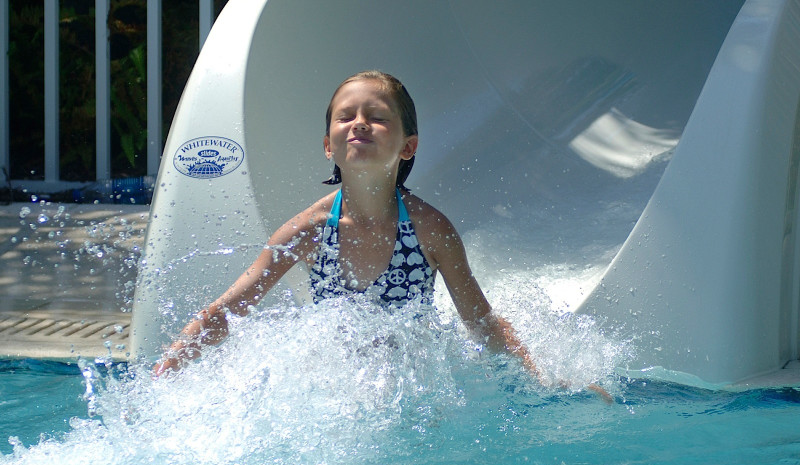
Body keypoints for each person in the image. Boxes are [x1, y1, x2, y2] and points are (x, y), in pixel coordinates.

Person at [152, 71, 569, 392]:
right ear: (328, 146)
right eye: (345, 116)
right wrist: (168, 370)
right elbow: (229, 309)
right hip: (336, 388)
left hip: (412, 388)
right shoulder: (309, 231)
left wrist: (539, 382)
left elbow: (480, 321)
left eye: (377, 117)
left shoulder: (429, 230)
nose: (359, 124)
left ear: (409, 146)